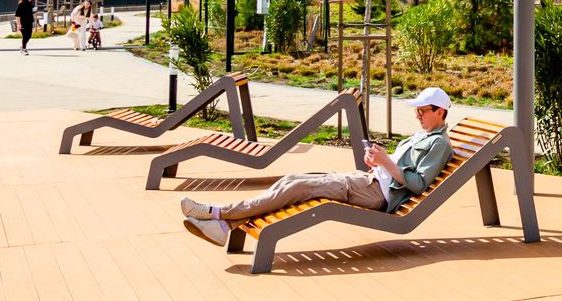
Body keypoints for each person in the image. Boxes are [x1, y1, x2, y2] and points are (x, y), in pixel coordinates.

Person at [181, 87, 456, 245]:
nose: (418, 115)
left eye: (423, 111)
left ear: (440, 112)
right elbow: (396, 167)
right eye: (416, 111)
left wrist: (386, 162)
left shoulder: (439, 144)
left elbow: (418, 184)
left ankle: (217, 212)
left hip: (376, 194)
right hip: (368, 181)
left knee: (299, 187)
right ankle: (225, 226)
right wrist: (377, 162)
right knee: (292, 179)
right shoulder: (420, 136)